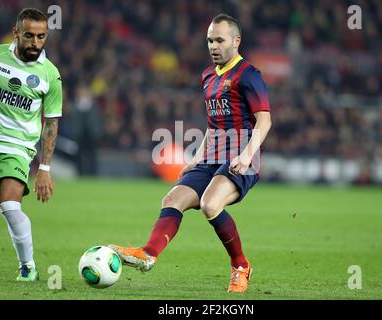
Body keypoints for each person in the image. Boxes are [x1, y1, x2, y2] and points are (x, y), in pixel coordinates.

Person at [110, 13, 271, 293]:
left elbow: (265, 119)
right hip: (212, 156)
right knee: (173, 198)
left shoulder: (248, 74)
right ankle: (148, 253)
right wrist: (196, 158)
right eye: (210, 40)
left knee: (210, 204)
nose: (213, 46)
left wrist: (246, 156)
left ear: (236, 41)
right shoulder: (208, 75)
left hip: (241, 159)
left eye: (219, 40)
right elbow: (213, 124)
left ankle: (241, 266)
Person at [0, 8, 62, 281]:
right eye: (29, 36)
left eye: (41, 37)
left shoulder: (50, 75)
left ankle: (27, 266)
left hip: (16, 149)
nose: (35, 43)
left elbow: (51, 123)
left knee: (10, 207)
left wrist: (45, 168)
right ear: (16, 33)